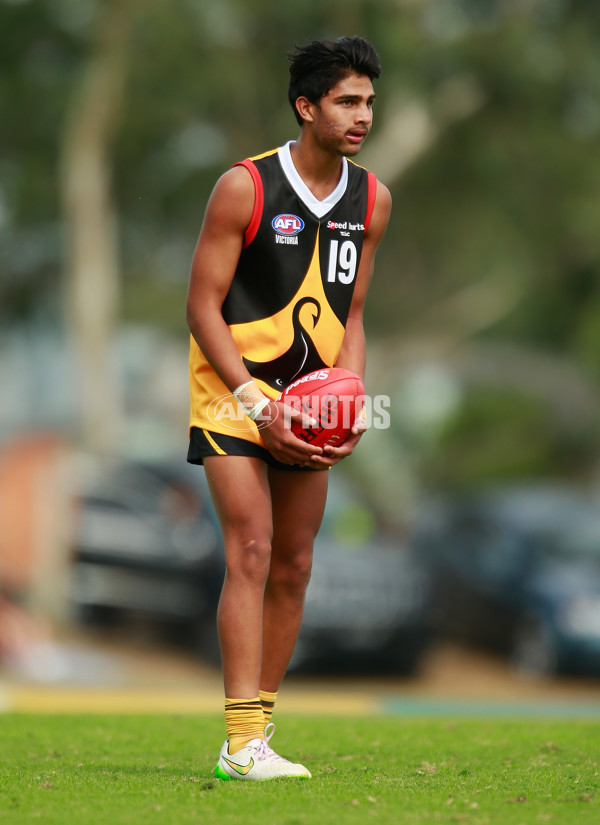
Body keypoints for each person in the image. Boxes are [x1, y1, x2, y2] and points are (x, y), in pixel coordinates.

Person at [186, 35, 391, 781]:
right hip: (231, 392)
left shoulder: (373, 199)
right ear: (307, 107)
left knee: (296, 564)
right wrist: (253, 400)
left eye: (368, 100)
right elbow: (201, 306)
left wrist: (354, 394)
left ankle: (258, 734)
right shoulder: (242, 186)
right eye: (347, 100)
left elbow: (356, 313)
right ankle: (240, 744)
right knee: (251, 547)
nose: (363, 114)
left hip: (312, 405)